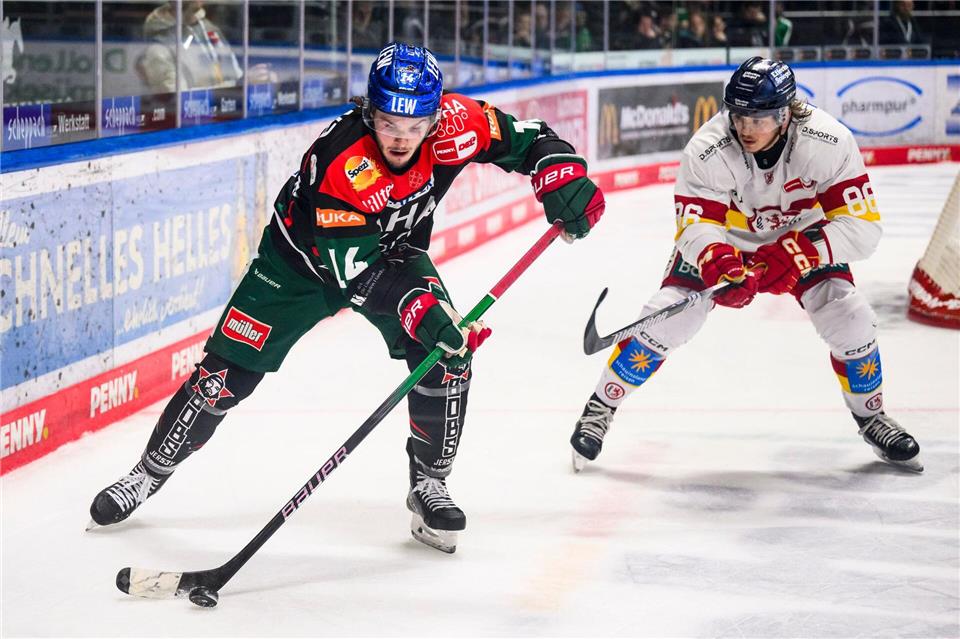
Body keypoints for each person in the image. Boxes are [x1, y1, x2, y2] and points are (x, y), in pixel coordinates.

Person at [89, 42, 605, 554]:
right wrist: (421, 310)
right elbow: (355, 276)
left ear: (435, 116)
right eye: (387, 125)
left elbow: (526, 138)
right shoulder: (341, 159)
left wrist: (559, 172)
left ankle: (429, 484)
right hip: (295, 267)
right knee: (223, 376)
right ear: (369, 112)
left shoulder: (457, 123)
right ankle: (147, 473)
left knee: (446, 359)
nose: (401, 140)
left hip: (395, 254)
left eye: (414, 127)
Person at [568, 57, 922, 475]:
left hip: (801, 241)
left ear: (785, 113)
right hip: (727, 245)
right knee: (667, 316)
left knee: (850, 317)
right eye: (738, 115)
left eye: (759, 118)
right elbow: (695, 224)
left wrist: (801, 252)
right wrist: (716, 260)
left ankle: (873, 416)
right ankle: (600, 407)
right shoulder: (708, 147)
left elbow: (863, 228)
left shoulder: (828, 141)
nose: (746, 128)